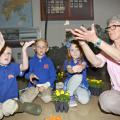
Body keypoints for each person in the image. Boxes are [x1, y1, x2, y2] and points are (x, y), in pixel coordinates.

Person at [69, 15, 120, 115]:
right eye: (108, 27)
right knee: (105, 100)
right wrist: (83, 44)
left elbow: (118, 56)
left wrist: (95, 40)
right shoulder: (108, 49)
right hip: (117, 92)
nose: (110, 30)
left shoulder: (109, 49)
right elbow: (96, 62)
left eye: (114, 26)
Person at [0, 32, 42, 119]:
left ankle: (23, 106)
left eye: (9, 53)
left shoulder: (12, 67)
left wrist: (24, 49)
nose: (6, 55)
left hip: (11, 100)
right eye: (2, 52)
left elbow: (25, 67)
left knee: (8, 107)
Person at [20, 39, 56, 104]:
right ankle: (31, 92)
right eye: (39, 47)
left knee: (48, 99)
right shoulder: (31, 61)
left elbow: (53, 76)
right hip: (34, 86)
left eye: (43, 47)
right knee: (24, 100)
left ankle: (40, 93)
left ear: (47, 49)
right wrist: (30, 75)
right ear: (35, 48)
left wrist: (45, 86)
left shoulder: (49, 61)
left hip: (46, 86)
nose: (41, 49)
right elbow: (26, 74)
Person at [63, 40, 90, 107]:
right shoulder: (68, 61)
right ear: (69, 51)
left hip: (80, 86)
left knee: (84, 101)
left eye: (77, 49)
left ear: (81, 50)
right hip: (70, 84)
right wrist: (73, 70)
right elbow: (69, 69)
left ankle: (74, 93)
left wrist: (81, 67)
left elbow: (83, 65)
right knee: (78, 76)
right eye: (72, 50)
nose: (75, 52)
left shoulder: (83, 61)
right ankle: (69, 95)